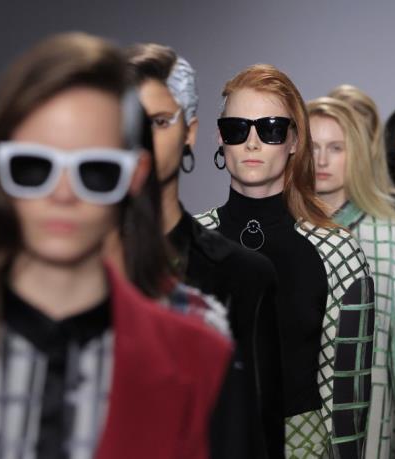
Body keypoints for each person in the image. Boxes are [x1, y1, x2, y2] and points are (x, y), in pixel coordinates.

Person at [0, 32, 231, 459]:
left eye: (95, 171)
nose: (62, 194)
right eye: (33, 167)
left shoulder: (200, 361)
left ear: (134, 176)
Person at [195, 64, 374, 458]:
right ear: (220, 138)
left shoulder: (337, 252)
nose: (252, 143)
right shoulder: (188, 244)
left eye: (271, 128)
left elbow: (349, 400)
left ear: (294, 140)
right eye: (237, 129)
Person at [125, 43, 284, 458]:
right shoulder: (69, 268)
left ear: (190, 132)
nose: (141, 139)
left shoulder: (243, 276)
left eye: (159, 122)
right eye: (127, 121)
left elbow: (260, 434)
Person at [307, 96, 395, 459]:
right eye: (312, 147)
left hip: (370, 432)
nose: (321, 160)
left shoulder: (394, 237)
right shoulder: (278, 235)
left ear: (358, 154)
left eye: (336, 148)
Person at [327, 84, 395, 270]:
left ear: (374, 142)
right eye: (346, 134)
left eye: (362, 134)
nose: (356, 145)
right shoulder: (294, 212)